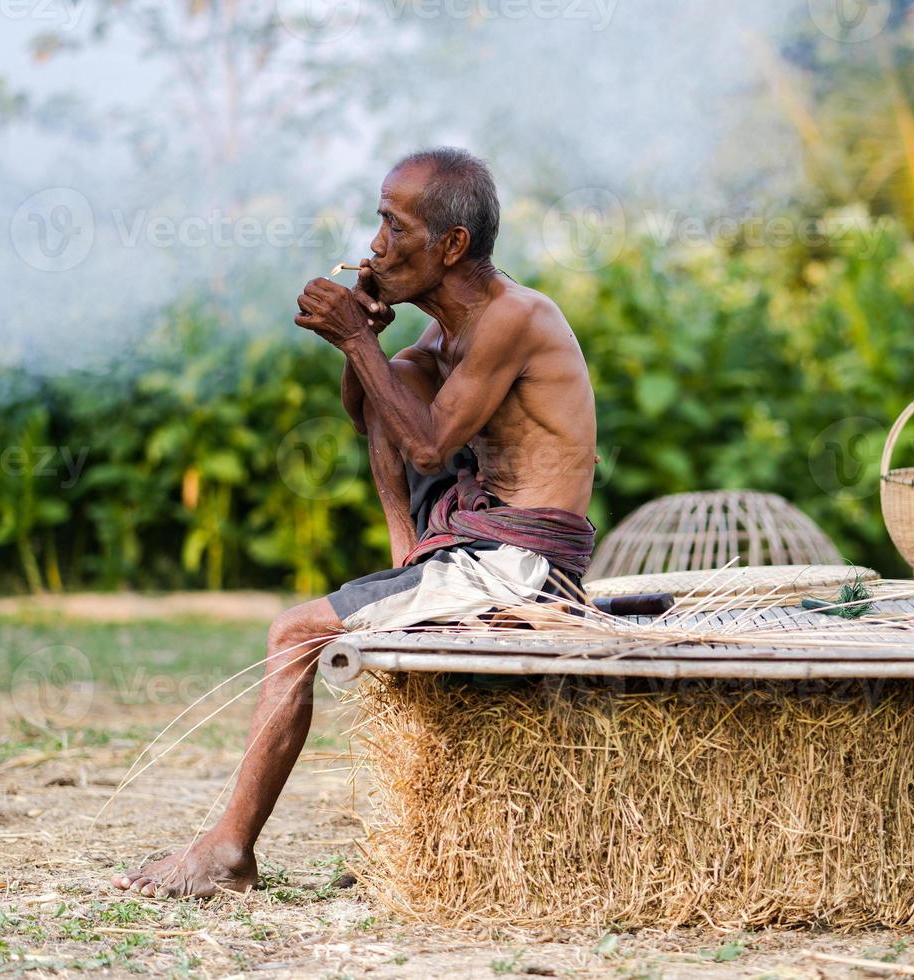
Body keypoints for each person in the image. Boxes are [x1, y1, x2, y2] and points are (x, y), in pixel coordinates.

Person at [112, 148, 598, 897]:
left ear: (453, 246)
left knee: (293, 631)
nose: (374, 247)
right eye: (378, 224)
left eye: (393, 227)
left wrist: (356, 339)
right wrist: (363, 341)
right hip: (474, 544)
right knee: (395, 380)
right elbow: (373, 408)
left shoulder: (515, 318)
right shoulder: (440, 340)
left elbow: (430, 445)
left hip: (523, 564)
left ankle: (228, 852)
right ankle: (408, 553)